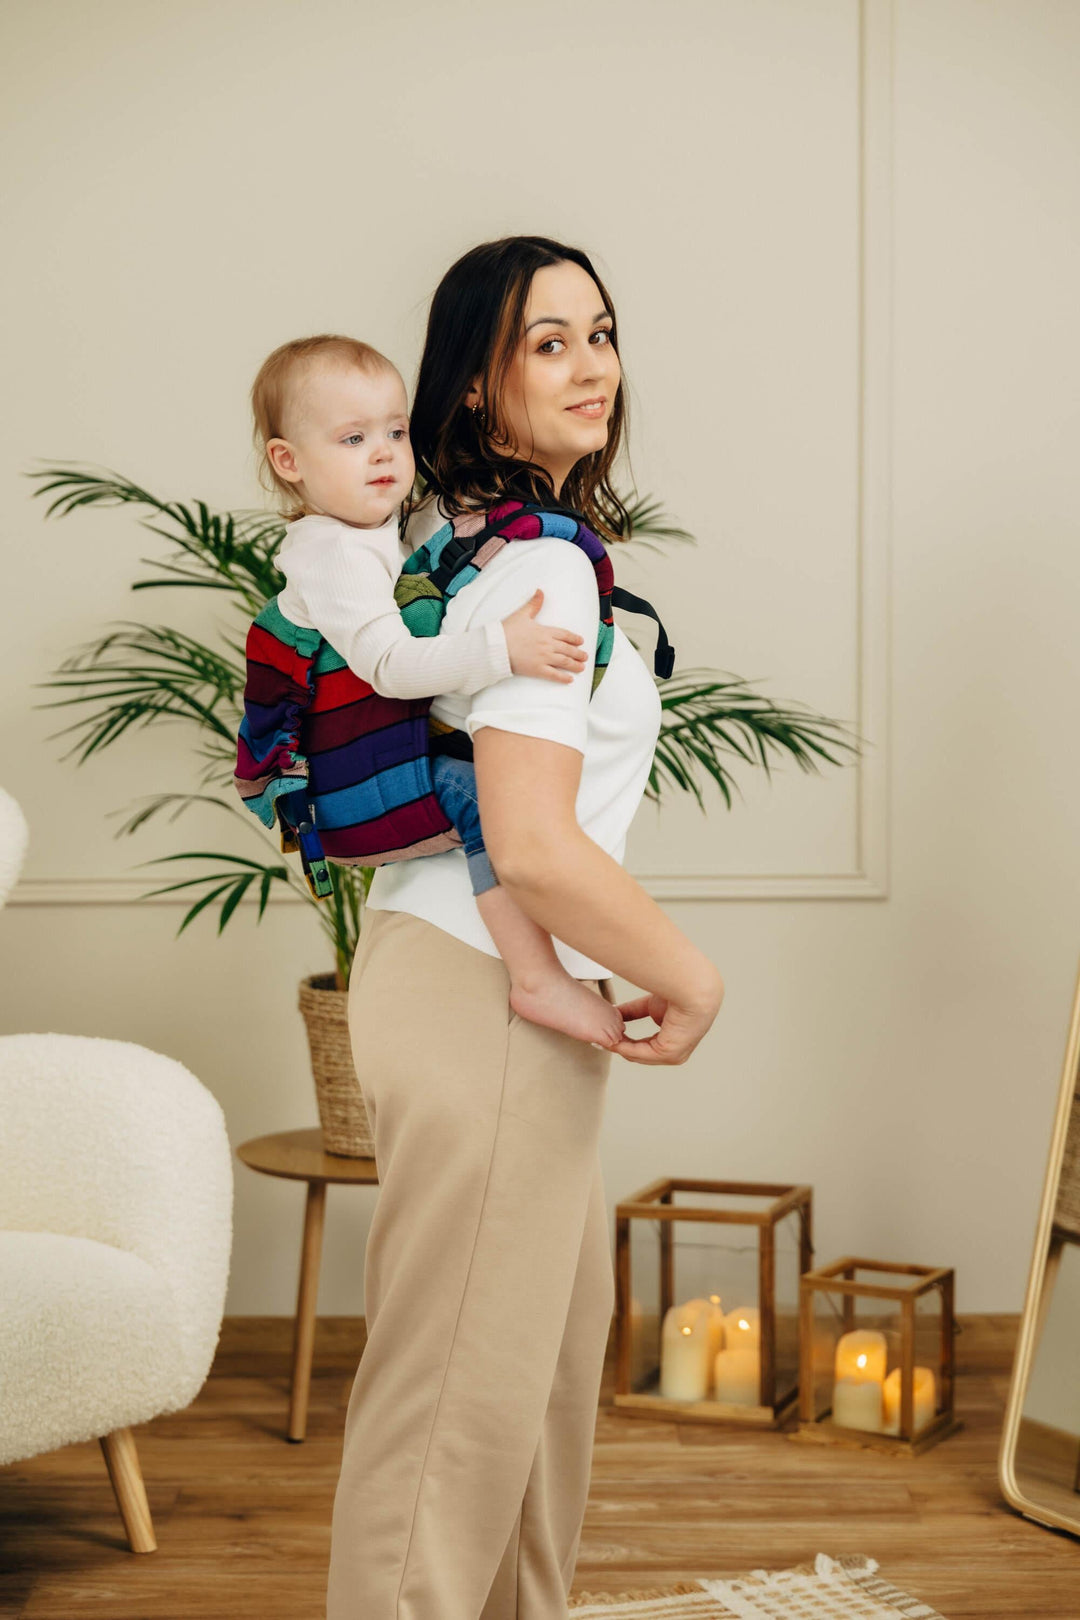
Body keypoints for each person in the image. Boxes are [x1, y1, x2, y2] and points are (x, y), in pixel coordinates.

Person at [326, 236, 725, 1620]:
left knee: (536, 1386)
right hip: (482, 995)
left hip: (480, 989)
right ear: (474, 387)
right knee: (451, 1416)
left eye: (598, 333)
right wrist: (692, 978)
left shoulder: (475, 547)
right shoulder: (539, 570)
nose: (591, 364)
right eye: (547, 343)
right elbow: (537, 843)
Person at [250, 333, 626, 1051]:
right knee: (488, 804)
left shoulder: (377, 531)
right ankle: (536, 977)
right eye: (354, 438)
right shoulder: (335, 553)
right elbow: (392, 667)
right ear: (288, 461)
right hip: (343, 780)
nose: (384, 453)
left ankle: (540, 970)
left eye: (395, 432)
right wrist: (502, 648)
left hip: (363, 764)